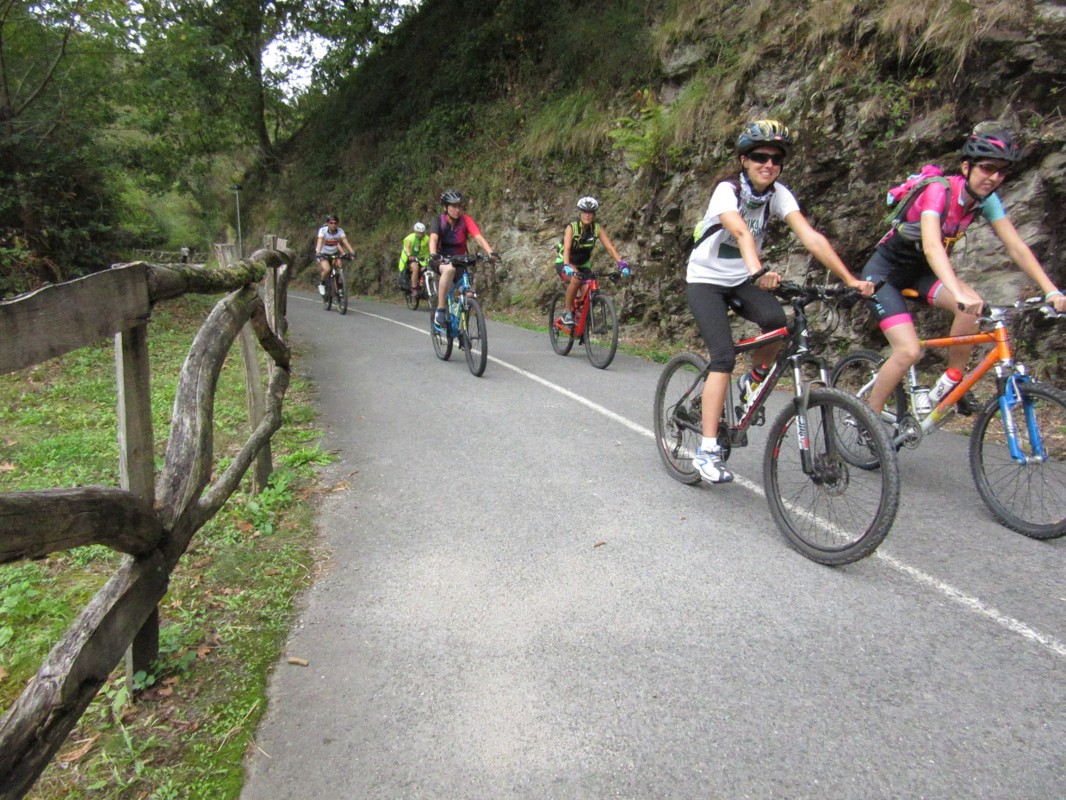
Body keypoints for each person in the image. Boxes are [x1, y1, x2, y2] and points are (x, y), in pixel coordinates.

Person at [686, 119, 874, 484]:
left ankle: (750, 381)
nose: (768, 164)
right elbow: (739, 230)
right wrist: (758, 270)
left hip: (741, 279)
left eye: (776, 158)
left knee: (778, 325)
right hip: (705, 281)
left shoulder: (777, 194)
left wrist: (850, 280)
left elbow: (810, 237)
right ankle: (707, 450)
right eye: (759, 156)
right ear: (744, 159)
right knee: (723, 356)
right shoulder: (727, 190)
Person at [860, 124, 1066, 416]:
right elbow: (932, 246)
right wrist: (957, 292)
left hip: (922, 274)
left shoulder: (986, 201)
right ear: (966, 167)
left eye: (1001, 172)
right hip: (884, 275)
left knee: (972, 307)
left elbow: (1017, 247)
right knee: (908, 351)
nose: (994, 177)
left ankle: (952, 383)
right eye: (987, 168)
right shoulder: (937, 191)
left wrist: (1051, 290)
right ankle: (869, 417)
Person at [553, 196, 629, 326]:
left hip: (583, 265)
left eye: (590, 213)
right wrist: (566, 265)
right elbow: (567, 248)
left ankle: (582, 322)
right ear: (580, 213)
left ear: (594, 214)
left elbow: (610, 248)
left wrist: (621, 264)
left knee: (589, 293)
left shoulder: (597, 229)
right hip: (565, 262)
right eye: (584, 212)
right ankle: (567, 311)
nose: (587, 216)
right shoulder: (572, 227)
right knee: (576, 279)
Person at [429, 189, 499, 328]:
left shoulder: (465, 220)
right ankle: (441, 310)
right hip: (440, 259)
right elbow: (433, 238)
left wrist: (491, 252)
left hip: (459, 260)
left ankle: (462, 329)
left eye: (460, 206)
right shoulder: (439, 221)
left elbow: (478, 236)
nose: (457, 210)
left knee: (469, 295)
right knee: (449, 270)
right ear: (445, 207)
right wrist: (433, 254)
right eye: (454, 206)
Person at [315, 215, 355, 295]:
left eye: (335, 223)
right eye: (331, 223)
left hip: (334, 253)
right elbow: (319, 242)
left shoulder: (340, 231)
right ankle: (322, 284)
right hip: (323, 253)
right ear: (328, 223)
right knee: (327, 269)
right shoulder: (323, 230)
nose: (333, 225)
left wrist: (352, 252)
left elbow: (345, 241)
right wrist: (318, 253)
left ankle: (340, 287)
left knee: (339, 268)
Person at [397, 222, 430, 297]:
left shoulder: (427, 238)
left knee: (427, 269)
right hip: (411, 257)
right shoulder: (410, 238)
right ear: (416, 232)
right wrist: (409, 255)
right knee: (415, 268)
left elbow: (431, 247)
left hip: (423, 259)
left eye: (422, 233)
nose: (421, 235)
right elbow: (407, 248)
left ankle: (424, 285)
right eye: (419, 233)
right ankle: (414, 288)